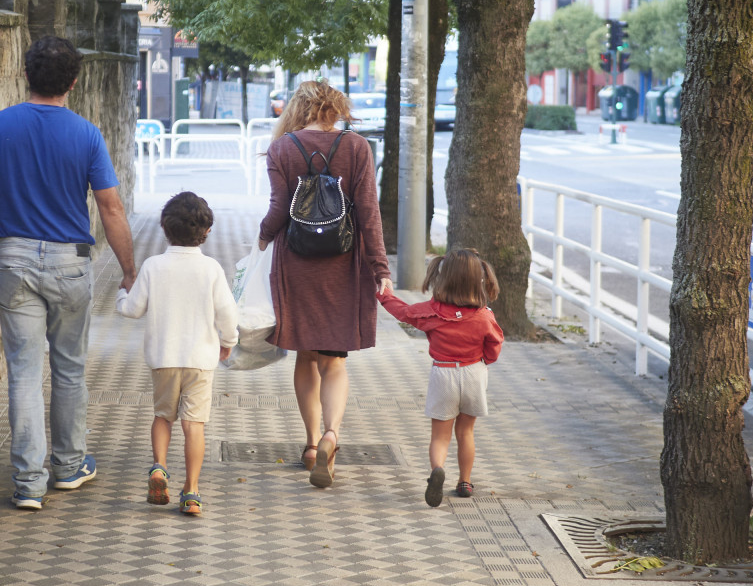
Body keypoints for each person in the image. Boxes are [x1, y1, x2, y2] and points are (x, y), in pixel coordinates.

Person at [0, 35, 137, 511]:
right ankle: (68, 466)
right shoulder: (86, 134)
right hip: (70, 264)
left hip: (14, 259)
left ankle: (28, 483)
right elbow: (111, 207)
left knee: (23, 372)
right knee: (70, 369)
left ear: (26, 76)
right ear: (74, 83)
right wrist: (129, 269)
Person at [257, 80, 392, 488]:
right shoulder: (357, 148)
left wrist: (261, 239)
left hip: (297, 263)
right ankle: (333, 433)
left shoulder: (282, 149)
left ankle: (313, 444)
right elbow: (369, 212)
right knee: (334, 360)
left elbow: (279, 208)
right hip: (344, 264)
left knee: (305, 356)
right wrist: (380, 269)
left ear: (300, 108)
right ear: (337, 108)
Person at [115, 192, 239, 516]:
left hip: (163, 359)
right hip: (200, 361)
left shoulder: (153, 266)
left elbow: (132, 309)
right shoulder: (211, 269)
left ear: (163, 227)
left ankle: (158, 468)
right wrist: (229, 340)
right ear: (207, 231)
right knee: (194, 425)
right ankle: (193, 492)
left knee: (162, 416)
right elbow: (227, 313)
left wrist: (119, 294)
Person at [377, 248, 504, 507]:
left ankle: (437, 470)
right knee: (466, 431)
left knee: (440, 436)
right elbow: (494, 346)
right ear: (478, 280)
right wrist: (485, 363)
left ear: (444, 278)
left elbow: (403, 312)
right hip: (474, 373)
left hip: (443, 373)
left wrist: (384, 294)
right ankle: (465, 482)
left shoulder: (433, 312)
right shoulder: (484, 316)